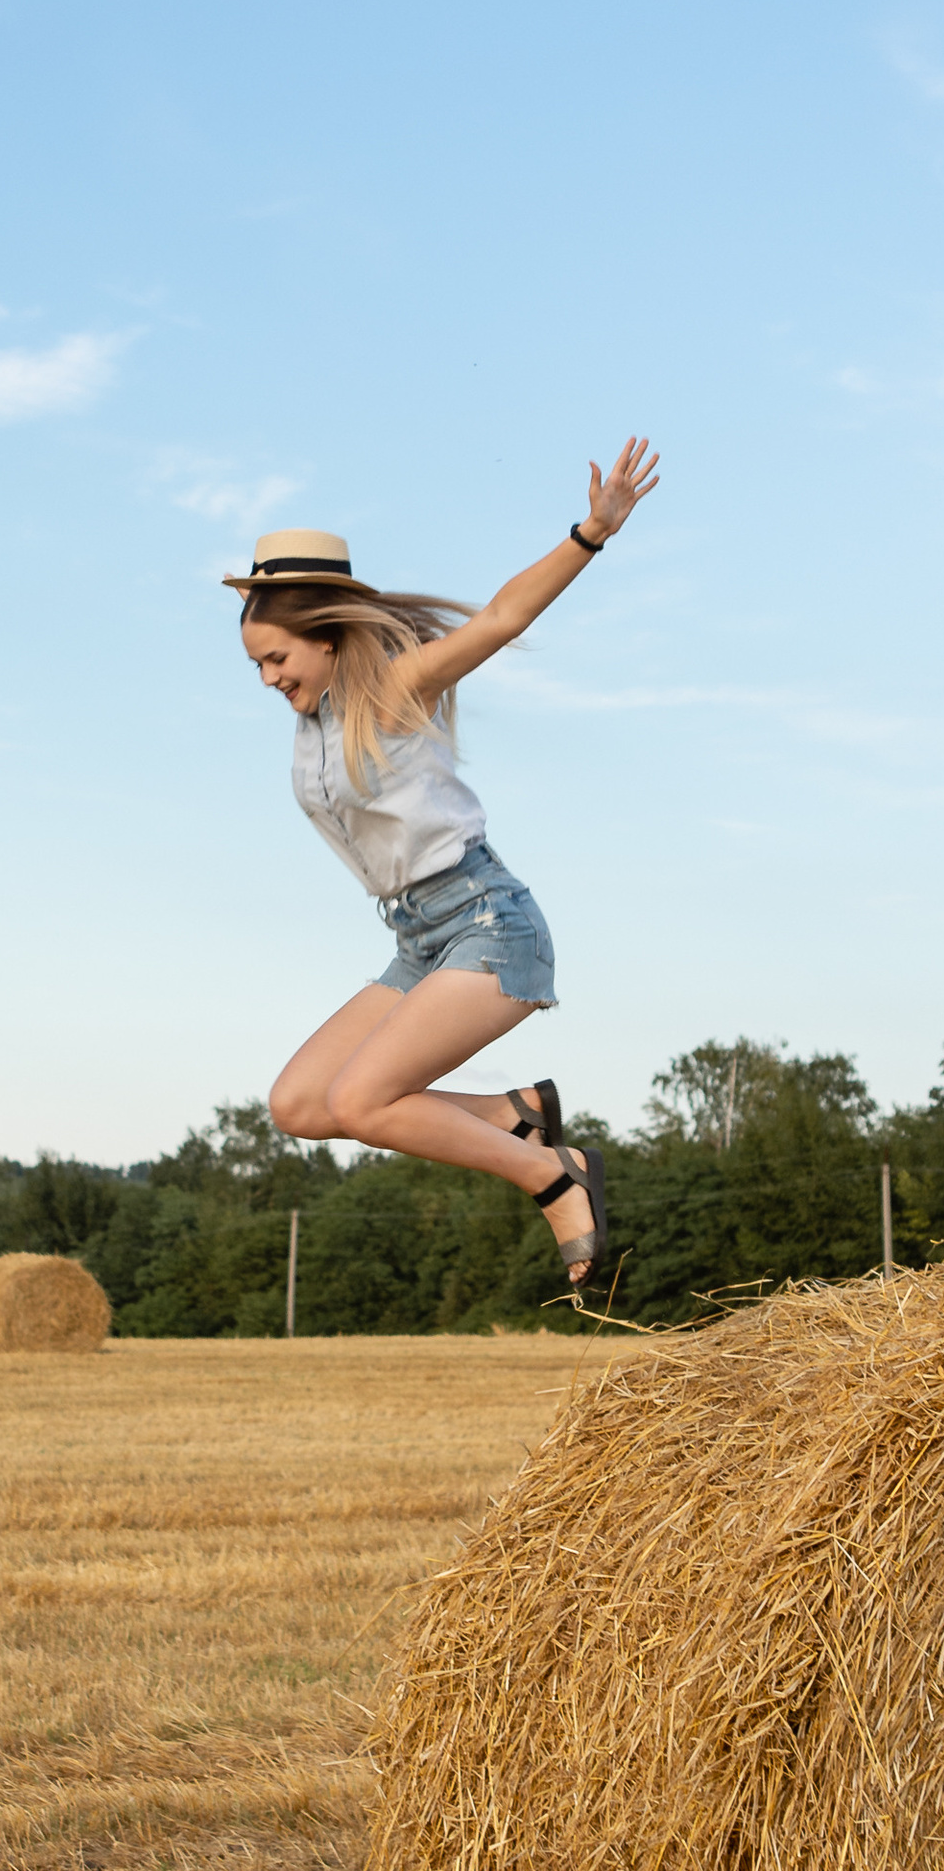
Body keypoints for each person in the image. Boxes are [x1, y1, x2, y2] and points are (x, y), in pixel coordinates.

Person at [228, 441, 661, 1291]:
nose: (269, 678)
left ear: (326, 636)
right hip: (418, 939)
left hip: (486, 923)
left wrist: (591, 533)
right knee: (300, 1105)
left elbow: (499, 619)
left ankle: (553, 1175)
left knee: (362, 1102)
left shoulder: (395, 688)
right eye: (257, 665)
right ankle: (513, 1116)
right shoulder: (311, 727)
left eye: (277, 659)